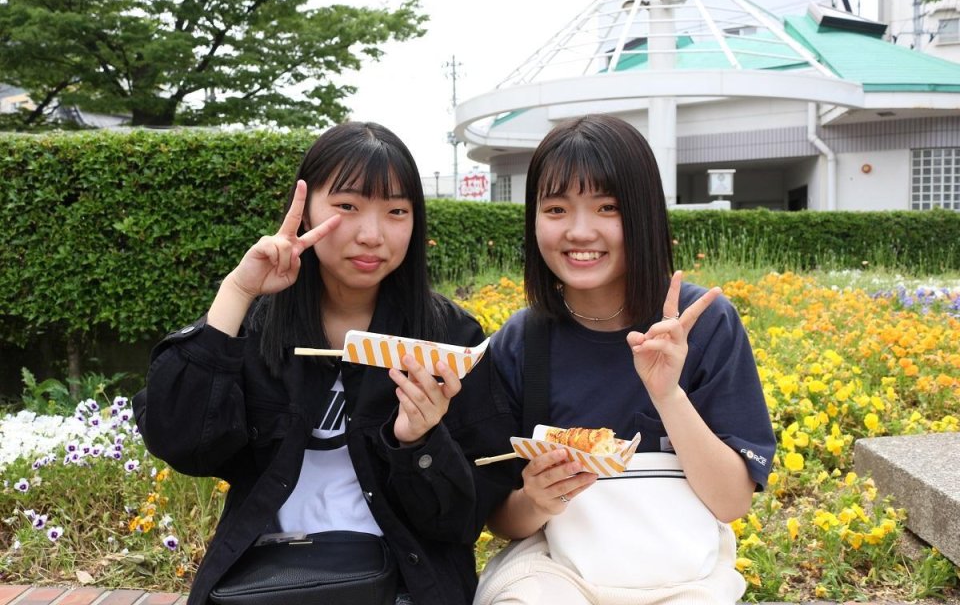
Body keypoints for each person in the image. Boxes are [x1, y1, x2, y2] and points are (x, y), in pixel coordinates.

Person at [133, 121, 517, 605]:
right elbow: (180, 440)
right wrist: (237, 290)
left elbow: (463, 519)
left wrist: (418, 441)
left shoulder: (449, 340)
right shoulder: (259, 326)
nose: (372, 235)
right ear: (306, 208)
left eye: (396, 211)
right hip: (268, 585)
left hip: (402, 586)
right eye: (347, 207)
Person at [474, 114, 776, 605]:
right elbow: (502, 518)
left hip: (681, 572)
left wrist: (668, 394)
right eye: (556, 209)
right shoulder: (521, 340)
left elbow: (731, 501)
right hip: (558, 568)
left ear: (643, 214)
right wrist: (537, 499)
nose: (579, 231)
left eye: (607, 207)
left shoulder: (703, 324)